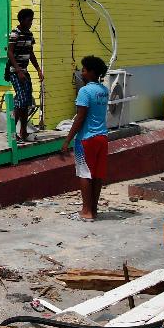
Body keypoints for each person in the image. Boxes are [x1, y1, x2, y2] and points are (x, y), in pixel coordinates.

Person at [65, 55, 110, 221]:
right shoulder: (104, 90)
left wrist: (67, 140)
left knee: (85, 174)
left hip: (86, 138)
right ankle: (94, 209)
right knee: (97, 175)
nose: (81, 73)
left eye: (83, 70)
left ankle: (86, 211)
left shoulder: (84, 91)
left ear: (91, 72)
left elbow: (80, 117)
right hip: (102, 137)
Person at [5, 8, 44, 142]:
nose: (31, 22)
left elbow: (30, 53)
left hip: (24, 72)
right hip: (15, 72)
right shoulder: (15, 33)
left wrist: (38, 69)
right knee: (20, 100)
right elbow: (10, 53)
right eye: (29, 20)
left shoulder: (29, 34)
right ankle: (11, 131)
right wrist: (19, 70)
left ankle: (23, 131)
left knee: (26, 101)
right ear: (22, 20)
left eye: (32, 20)